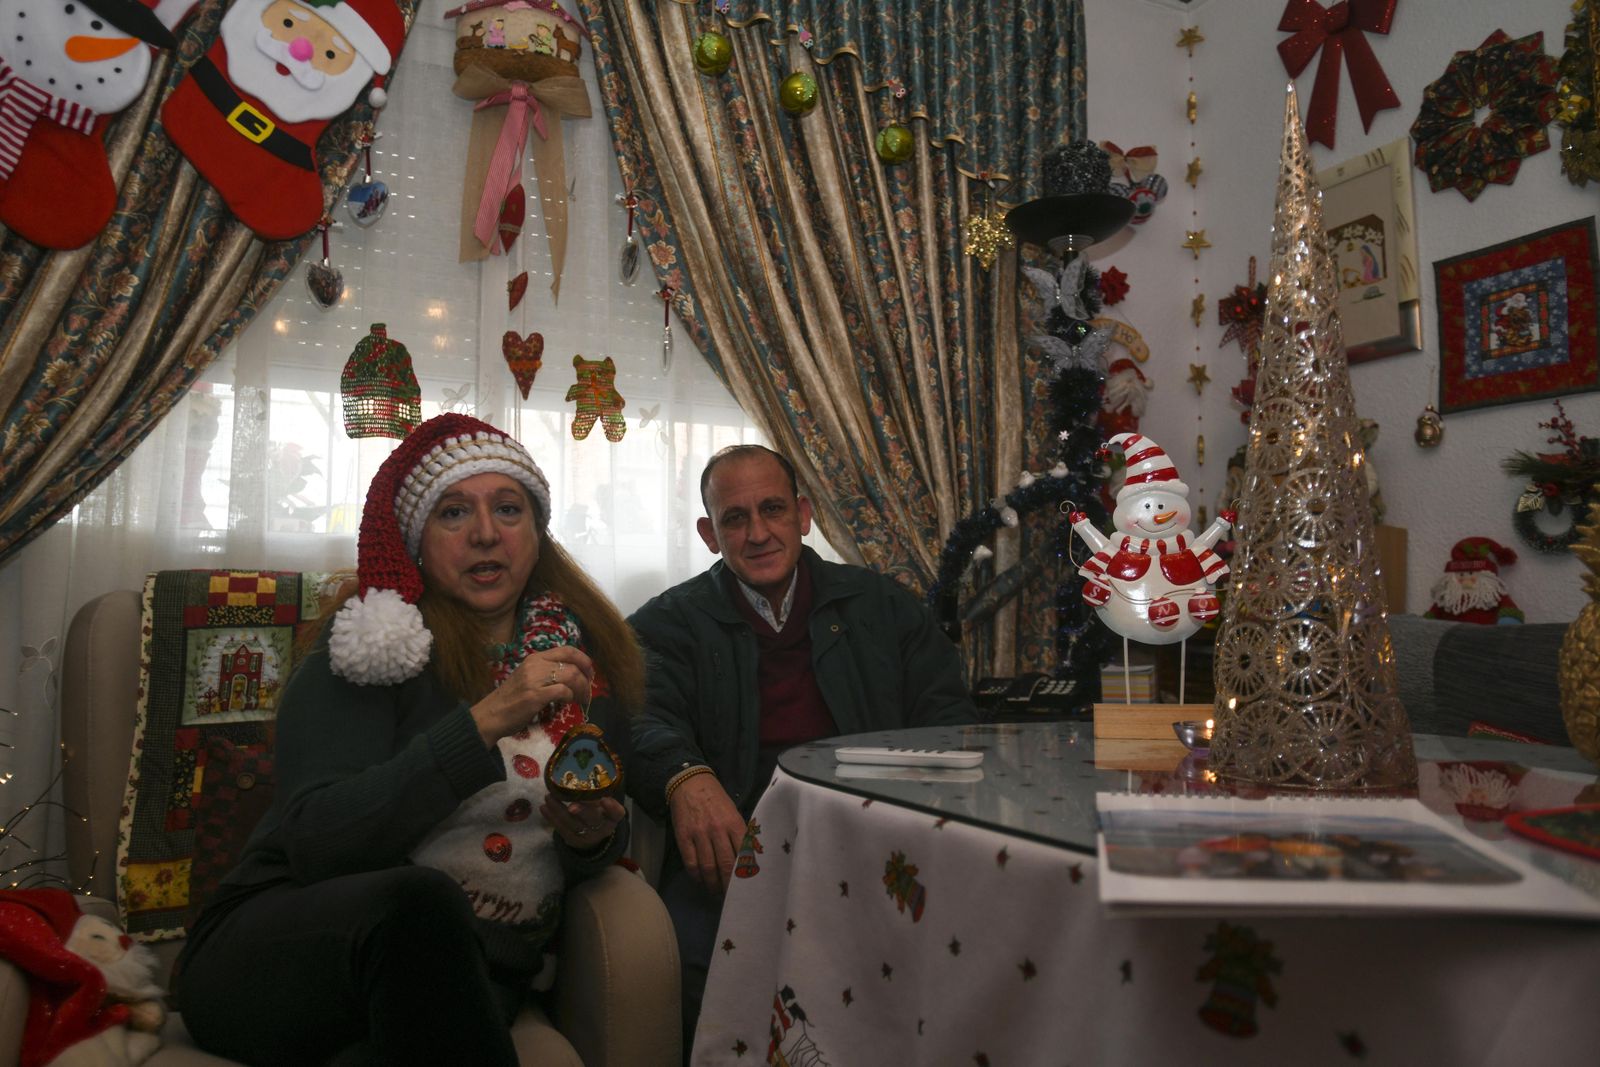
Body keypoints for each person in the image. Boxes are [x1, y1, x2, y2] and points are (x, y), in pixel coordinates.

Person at [175, 414, 644, 1066]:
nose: (486, 532)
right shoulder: (373, 648)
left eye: (509, 509)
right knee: (423, 905)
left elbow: (584, 841)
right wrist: (482, 721)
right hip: (281, 950)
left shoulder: (581, 662)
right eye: (454, 513)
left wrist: (593, 835)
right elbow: (316, 840)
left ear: (538, 535)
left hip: (465, 976)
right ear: (419, 538)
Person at [626, 444, 977, 1048]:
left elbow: (949, 717)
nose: (758, 532)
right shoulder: (667, 624)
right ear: (710, 534)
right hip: (737, 861)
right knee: (690, 966)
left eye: (772, 509)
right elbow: (635, 716)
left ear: (804, 515)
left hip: (880, 848)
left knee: (958, 957)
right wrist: (684, 776)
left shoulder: (884, 606)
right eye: (735, 519)